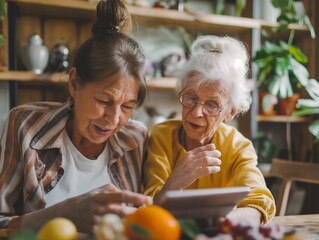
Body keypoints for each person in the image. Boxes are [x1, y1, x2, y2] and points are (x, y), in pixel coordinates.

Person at [0, 0, 152, 233]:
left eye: (128, 106)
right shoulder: (25, 125)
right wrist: (60, 214)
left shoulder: (135, 139)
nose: (113, 119)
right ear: (74, 84)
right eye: (103, 101)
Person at [143, 35, 275, 224]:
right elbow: (150, 208)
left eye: (212, 105)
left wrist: (217, 223)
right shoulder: (161, 136)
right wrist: (176, 181)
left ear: (230, 113)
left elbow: (260, 203)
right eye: (190, 97)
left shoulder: (238, 147)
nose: (196, 112)